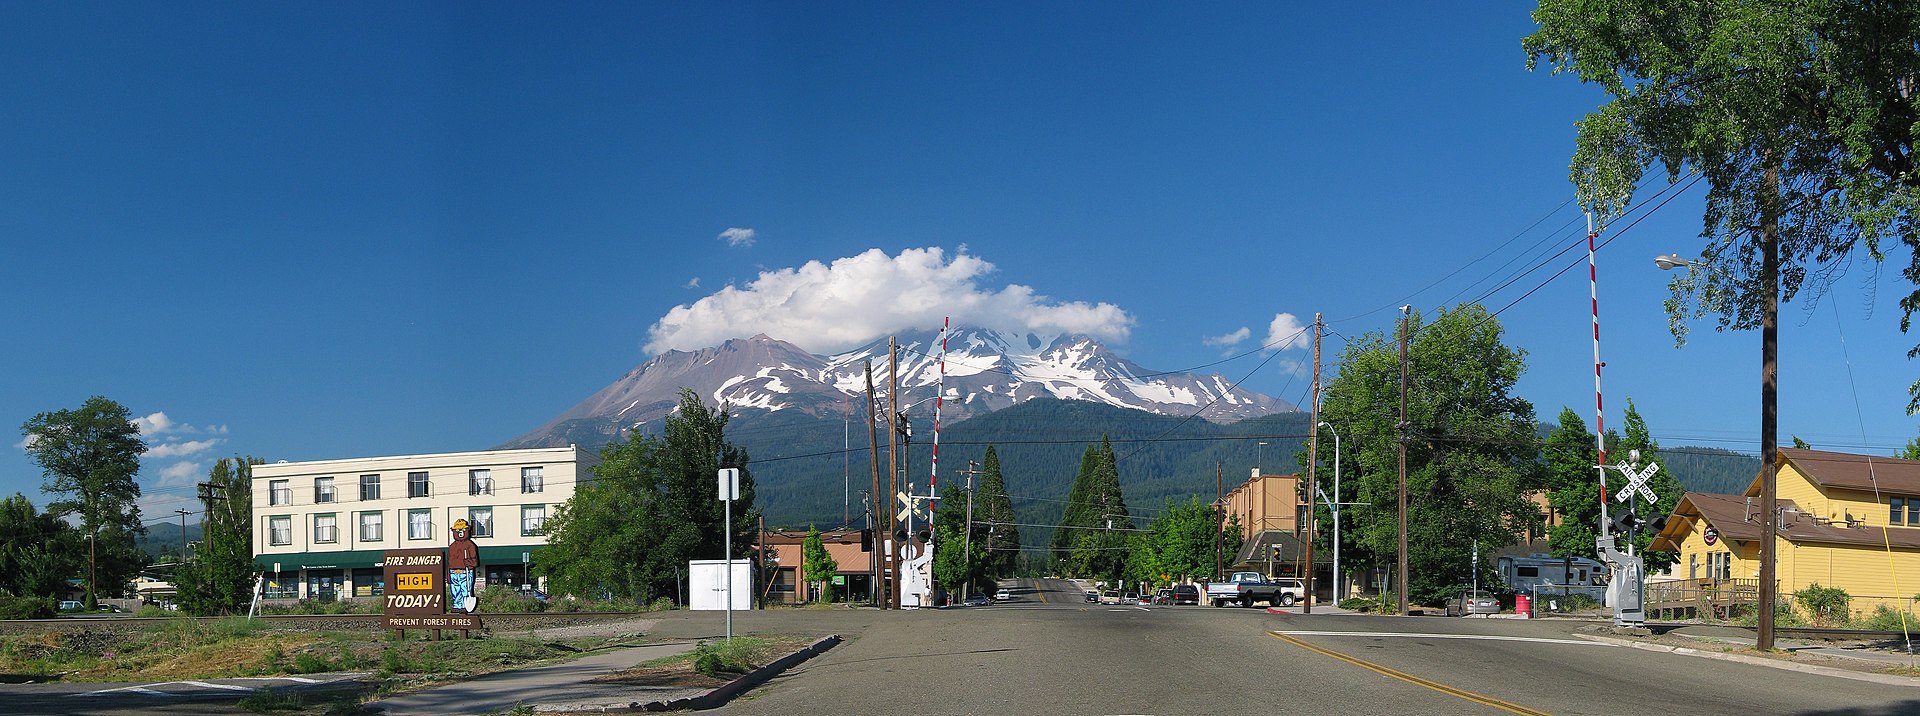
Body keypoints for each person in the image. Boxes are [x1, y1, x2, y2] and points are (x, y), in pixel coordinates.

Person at [448, 518, 480, 613]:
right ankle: (457, 605)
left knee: (465, 589)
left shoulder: (470, 545)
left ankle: (465, 606)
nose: (460, 533)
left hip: (465, 572)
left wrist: (468, 562)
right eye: (457, 530)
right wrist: (448, 575)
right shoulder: (452, 546)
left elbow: (475, 562)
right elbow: (449, 562)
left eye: (462, 530)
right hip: (453, 572)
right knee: (455, 590)